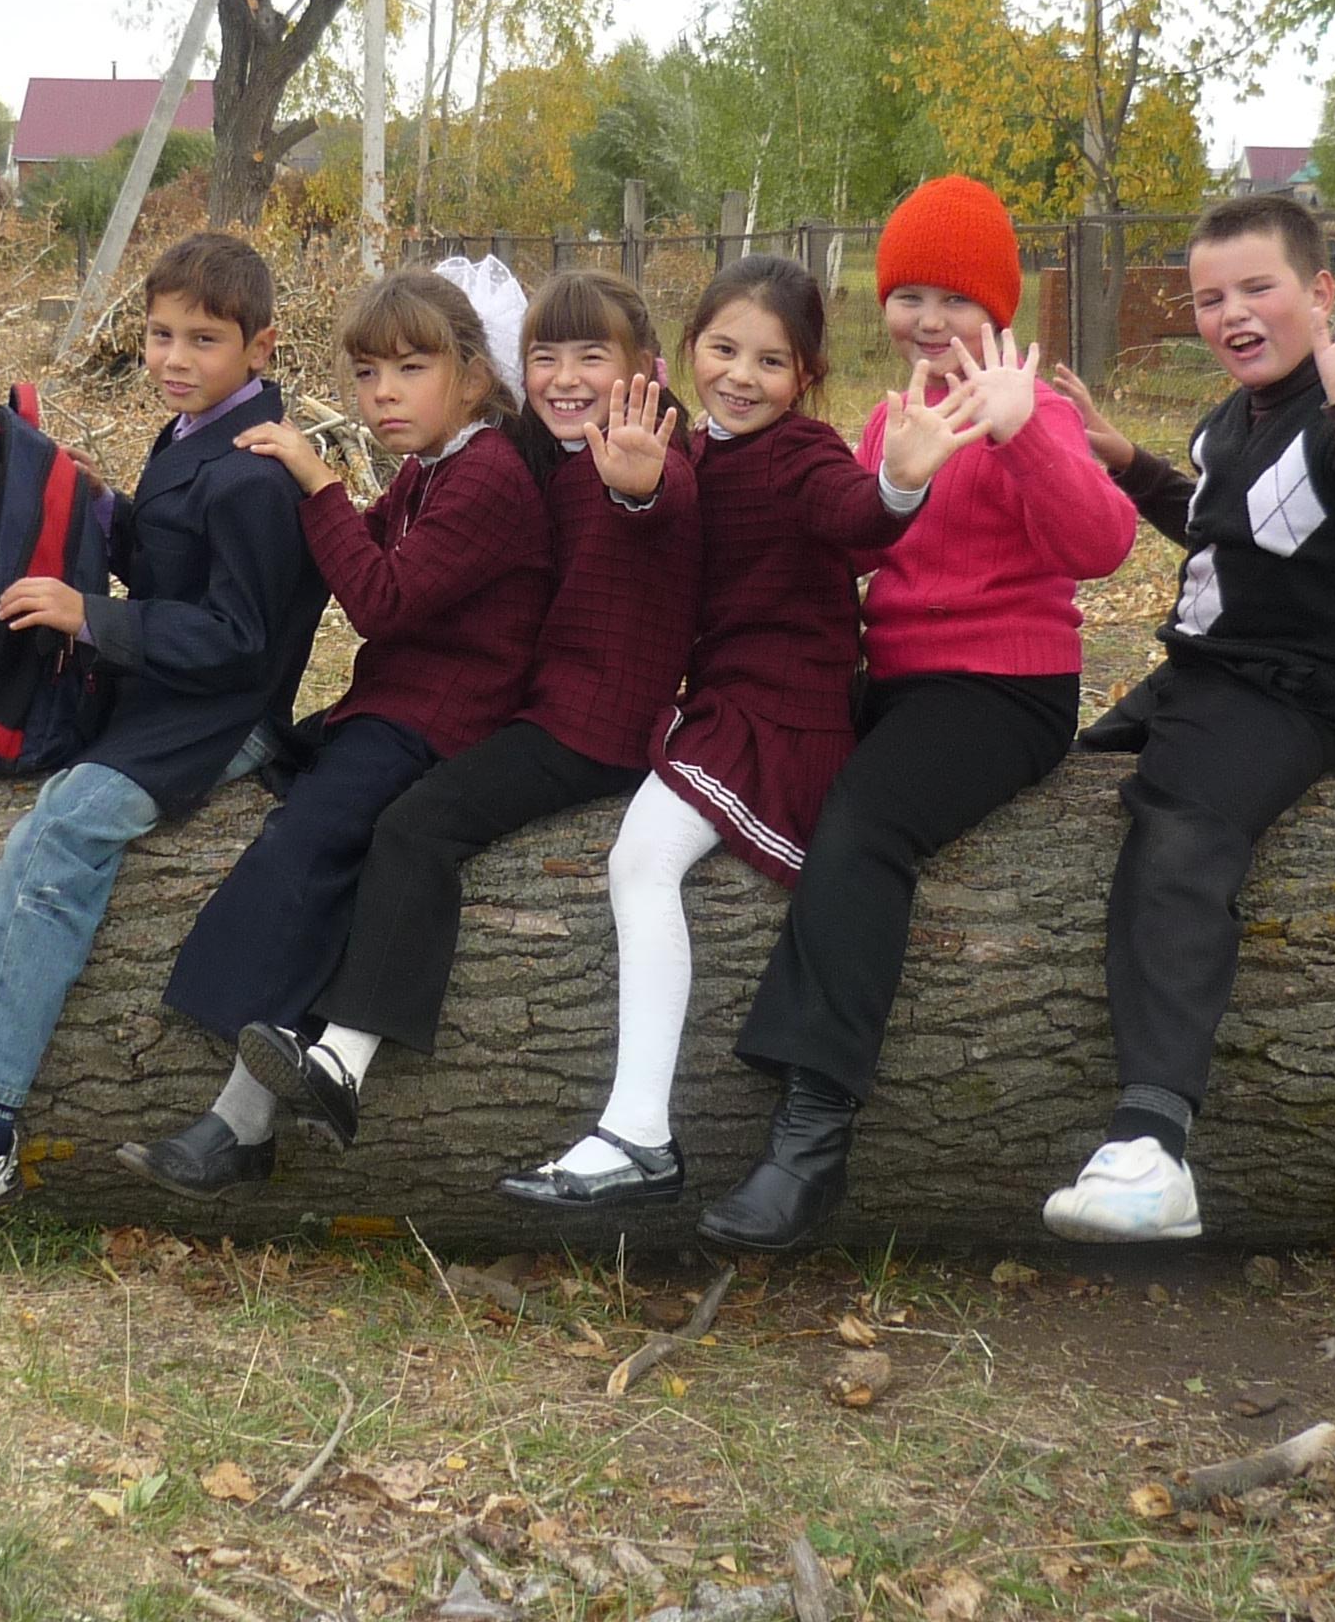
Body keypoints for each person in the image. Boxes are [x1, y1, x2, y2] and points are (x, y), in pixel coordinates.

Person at [0, 232, 328, 1237]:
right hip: (158, 696)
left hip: (217, 720)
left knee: (61, 836)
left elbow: (241, 642)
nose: (173, 359)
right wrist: (61, 488)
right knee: (27, 815)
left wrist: (93, 616)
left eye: (203, 339)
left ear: (263, 347)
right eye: (159, 334)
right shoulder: (191, 436)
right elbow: (161, 550)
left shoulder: (251, 475)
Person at [699, 179, 1138, 1250]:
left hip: (1001, 687)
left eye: (955, 298)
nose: (930, 320)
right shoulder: (893, 416)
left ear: (1000, 309)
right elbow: (851, 544)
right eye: (909, 296)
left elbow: (1102, 545)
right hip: (894, 673)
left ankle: (812, 1136)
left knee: (864, 825)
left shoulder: (1041, 414)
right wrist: (890, 474)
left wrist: (1026, 434)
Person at [497, 253, 984, 1211]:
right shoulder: (689, 445)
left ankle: (638, 1133)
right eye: (723, 349)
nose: (740, 375)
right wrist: (636, 492)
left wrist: (896, 482)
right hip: (720, 700)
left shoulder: (800, 454)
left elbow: (852, 516)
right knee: (639, 860)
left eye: (770, 361)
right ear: (689, 351)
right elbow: (659, 533)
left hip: (778, 712)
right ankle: (635, 1132)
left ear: (805, 377)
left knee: (641, 862)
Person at [1044, 191, 1335, 1243]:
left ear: (1321, 294)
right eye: (1208, 296)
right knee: (1063, 775)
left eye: (1259, 288)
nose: (1232, 313)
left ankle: (1153, 1144)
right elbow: (1233, 530)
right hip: (1203, 676)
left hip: (1298, 692)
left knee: (1179, 834)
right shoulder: (1234, 419)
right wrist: (1129, 464)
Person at [240, 270, 700, 1150]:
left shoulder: (642, 458)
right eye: (545, 357)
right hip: (539, 708)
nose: (565, 377)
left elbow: (656, 502)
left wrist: (640, 485)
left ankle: (344, 1058)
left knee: (419, 827)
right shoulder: (543, 460)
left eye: (591, 357)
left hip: (592, 729)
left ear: (646, 366)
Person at [123, 269, 555, 1200]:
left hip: (438, 718)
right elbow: (361, 544)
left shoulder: (487, 476)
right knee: (302, 799)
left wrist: (315, 480)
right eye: (365, 374)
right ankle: (244, 1119)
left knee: (309, 843)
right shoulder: (437, 467)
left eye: (410, 368)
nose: (382, 393)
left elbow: (381, 599)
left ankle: (235, 1119)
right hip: (396, 704)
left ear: (474, 378)